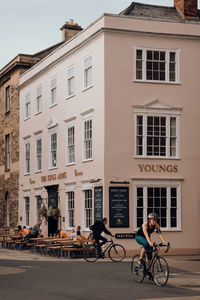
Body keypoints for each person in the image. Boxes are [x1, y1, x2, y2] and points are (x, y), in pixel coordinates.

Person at [135, 212, 169, 280]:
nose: (155, 221)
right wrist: (150, 242)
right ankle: (140, 260)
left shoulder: (156, 225)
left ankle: (149, 273)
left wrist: (165, 243)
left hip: (147, 238)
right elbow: (146, 235)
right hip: (139, 237)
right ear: (149, 220)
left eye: (156, 220)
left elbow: (159, 235)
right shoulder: (145, 225)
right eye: (153, 220)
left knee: (150, 256)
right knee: (146, 244)